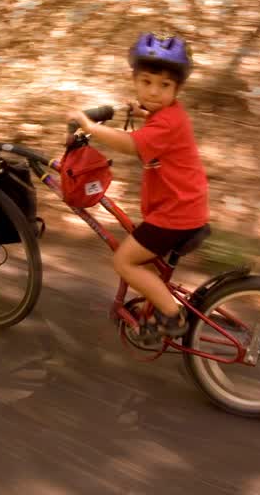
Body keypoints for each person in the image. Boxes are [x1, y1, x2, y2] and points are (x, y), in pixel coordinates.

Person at [68, 33, 210, 346]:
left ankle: (172, 316)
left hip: (175, 215)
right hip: (183, 208)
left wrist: (91, 127)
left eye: (164, 85)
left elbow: (132, 144)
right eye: (146, 82)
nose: (154, 91)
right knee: (141, 251)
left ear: (177, 89)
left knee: (124, 261)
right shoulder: (167, 116)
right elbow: (158, 126)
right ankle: (159, 302)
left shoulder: (167, 123)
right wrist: (145, 112)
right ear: (134, 81)